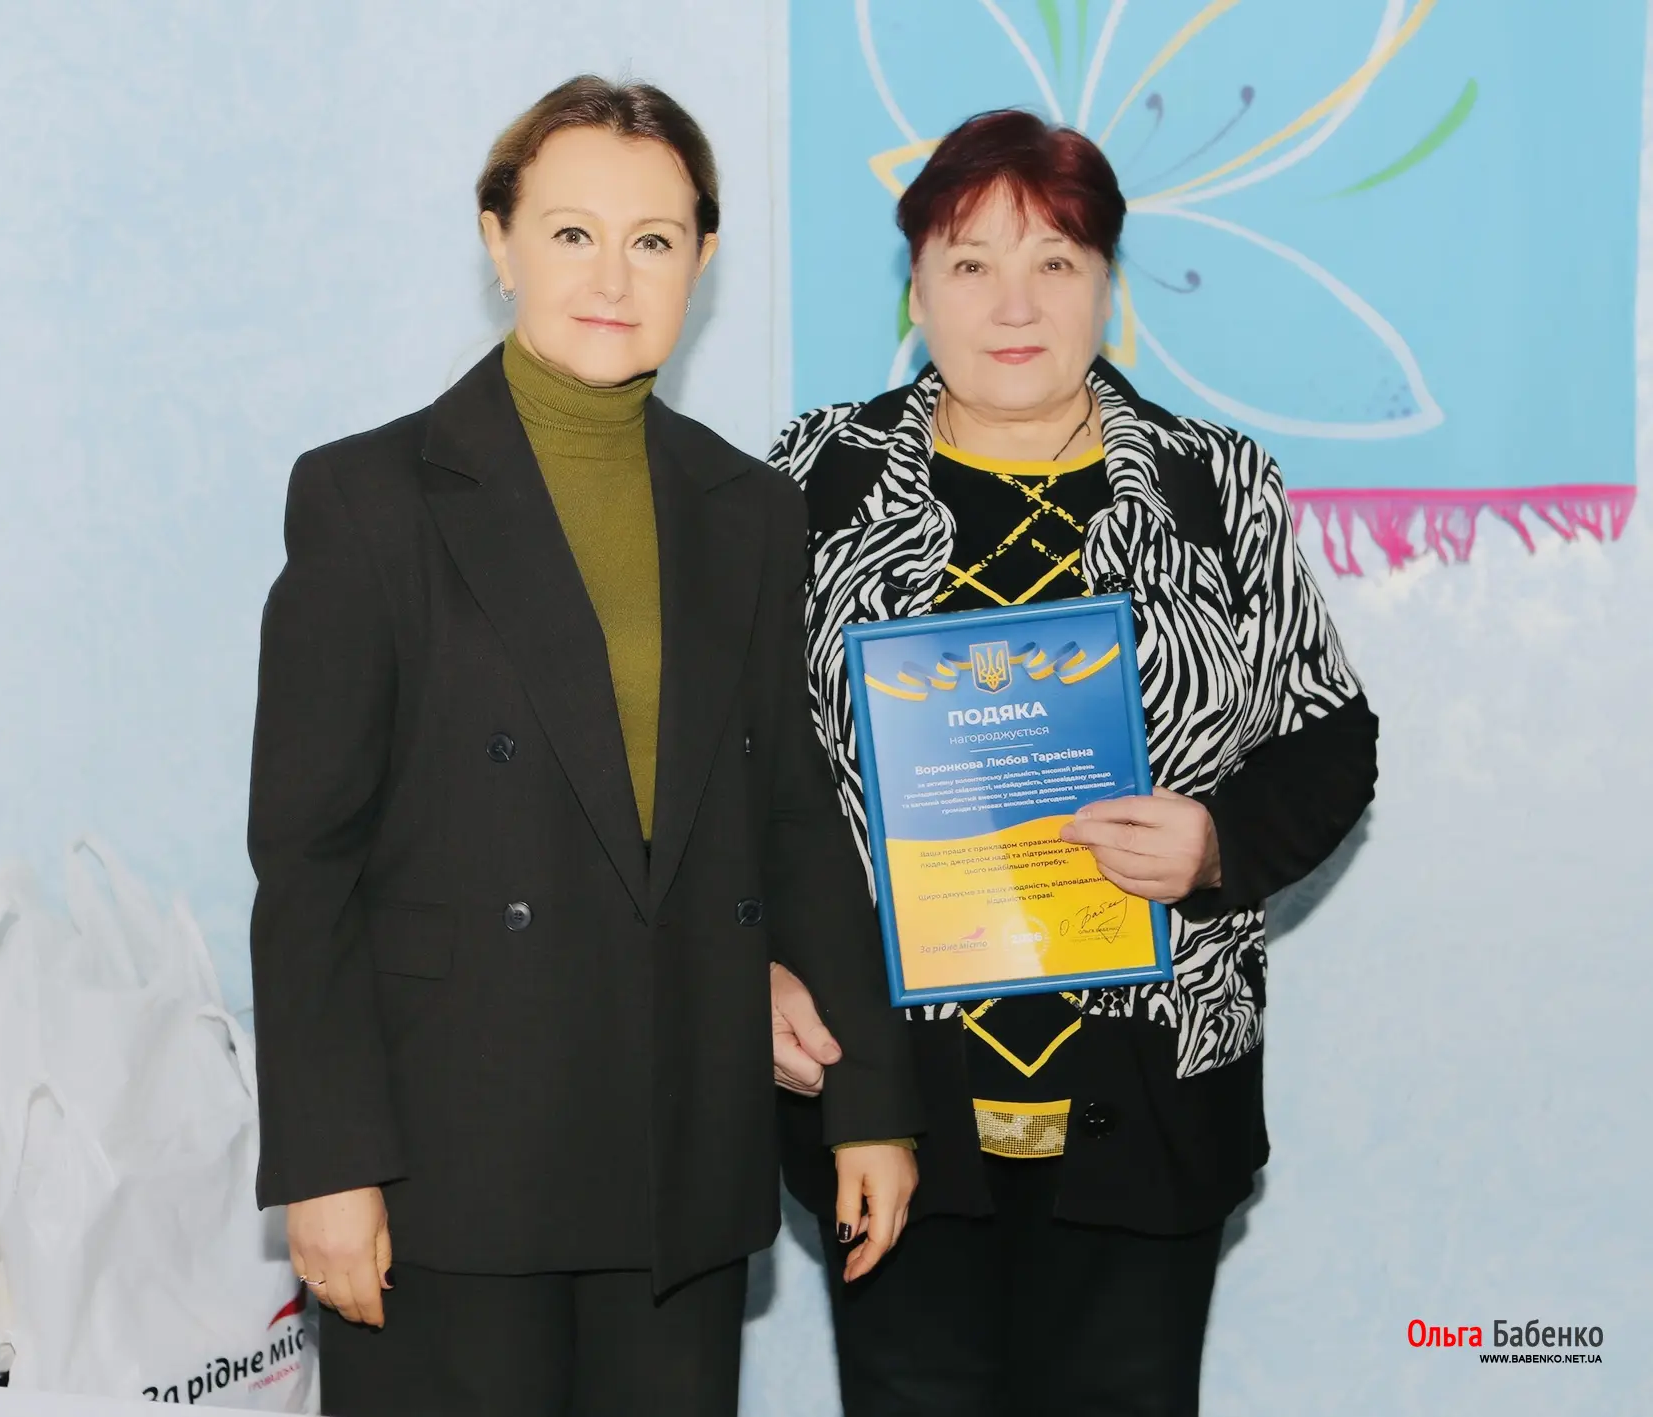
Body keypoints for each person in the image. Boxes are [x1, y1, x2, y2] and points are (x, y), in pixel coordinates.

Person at [246, 75, 919, 1417]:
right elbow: (307, 864)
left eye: (653, 239)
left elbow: (789, 812)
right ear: (497, 242)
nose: (612, 277)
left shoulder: (748, 508)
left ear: (702, 260)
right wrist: (326, 1162)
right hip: (444, 1157)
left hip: (676, 1153)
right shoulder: (366, 497)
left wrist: (871, 1104)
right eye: (570, 233)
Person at [768, 110, 1379, 1417]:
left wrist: (1216, 845)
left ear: (1108, 284)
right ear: (916, 288)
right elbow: (723, 761)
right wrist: (753, 962)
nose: (1015, 304)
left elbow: (1330, 736)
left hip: (1149, 1106)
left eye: (1056, 261)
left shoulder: (1215, 483)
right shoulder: (811, 483)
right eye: (971, 262)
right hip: (886, 1101)